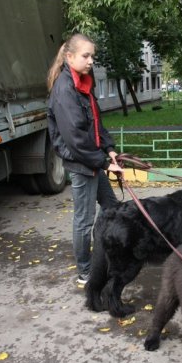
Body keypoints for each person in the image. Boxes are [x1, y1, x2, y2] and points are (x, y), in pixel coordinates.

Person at [46, 33, 123, 285]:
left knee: (111, 207)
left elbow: (96, 121)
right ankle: (85, 271)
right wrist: (103, 162)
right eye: (86, 55)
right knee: (84, 219)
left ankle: (108, 253)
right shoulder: (65, 90)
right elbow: (76, 139)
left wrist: (110, 149)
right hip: (82, 164)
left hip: (93, 160)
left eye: (92, 56)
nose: (91, 61)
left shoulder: (84, 83)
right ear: (69, 57)